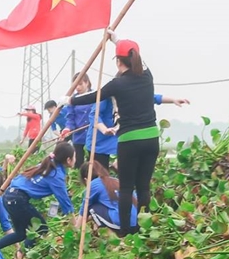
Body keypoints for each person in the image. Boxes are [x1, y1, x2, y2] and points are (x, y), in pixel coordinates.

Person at [68, 39, 188, 236]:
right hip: (151, 138)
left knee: (126, 188)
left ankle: (125, 233)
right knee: (143, 186)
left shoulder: (118, 84)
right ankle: (144, 228)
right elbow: (144, 66)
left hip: (130, 140)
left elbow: (94, 96)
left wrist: (69, 100)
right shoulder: (147, 77)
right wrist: (117, 39)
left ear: (118, 62)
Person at [0, 142, 76, 252]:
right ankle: (21, 255)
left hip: (9, 195)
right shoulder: (56, 175)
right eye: (74, 156)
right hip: (18, 199)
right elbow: (65, 204)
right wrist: (76, 227)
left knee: (20, 234)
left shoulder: (49, 165)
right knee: (41, 228)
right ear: (68, 160)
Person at [79, 161, 137, 233]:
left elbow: (83, 212)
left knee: (92, 208)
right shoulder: (116, 181)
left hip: (123, 226)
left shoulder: (93, 184)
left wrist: (75, 229)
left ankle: (110, 235)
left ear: (86, 180)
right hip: (137, 223)